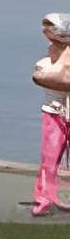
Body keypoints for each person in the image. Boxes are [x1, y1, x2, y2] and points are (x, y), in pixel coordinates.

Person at [34, 14, 70, 219]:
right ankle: (45, 200)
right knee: (50, 160)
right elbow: (47, 78)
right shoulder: (43, 65)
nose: (50, 50)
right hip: (54, 116)